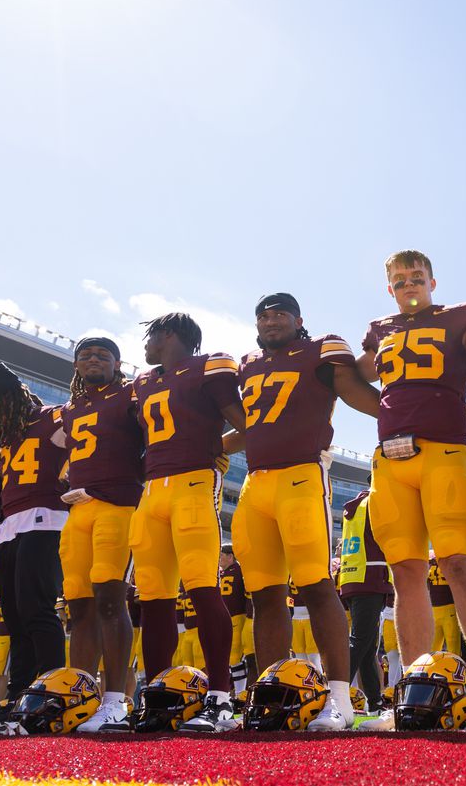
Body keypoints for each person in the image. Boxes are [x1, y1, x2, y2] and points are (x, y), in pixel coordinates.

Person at [356, 250, 466, 730]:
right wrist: (383, 412)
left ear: (432, 281)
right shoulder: (380, 328)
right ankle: (418, 689)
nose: (409, 285)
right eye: (400, 280)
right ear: (390, 288)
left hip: (444, 449)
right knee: (405, 571)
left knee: (457, 562)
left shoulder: (458, 316)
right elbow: (350, 376)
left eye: (416, 277)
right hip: (390, 459)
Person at [224, 292, 380, 730]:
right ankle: (273, 695)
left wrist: (396, 413)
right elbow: (253, 425)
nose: (271, 321)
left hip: (301, 475)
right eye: (264, 316)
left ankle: (338, 699)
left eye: (280, 315)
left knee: (315, 585)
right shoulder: (248, 363)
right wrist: (205, 450)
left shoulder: (319, 349)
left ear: (298, 320)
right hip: (256, 483)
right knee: (265, 595)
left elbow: (352, 391)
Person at [130, 313, 246, 732]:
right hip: (151, 491)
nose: (145, 346)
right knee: (154, 598)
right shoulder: (142, 383)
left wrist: (214, 447)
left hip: (194, 482)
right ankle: (157, 695)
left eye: (150, 336)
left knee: (201, 586)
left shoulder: (209, 365)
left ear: (168, 335)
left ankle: (220, 697)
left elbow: (246, 422)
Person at [0, 363, 68, 733]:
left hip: (47, 515)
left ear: (9, 397)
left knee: (37, 609)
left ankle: (53, 693)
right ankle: (18, 696)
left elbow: (91, 448)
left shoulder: (55, 417)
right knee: (15, 617)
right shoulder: (1, 432)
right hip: (11, 523)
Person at [58, 336, 145, 731]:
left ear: (117, 363)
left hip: (117, 504)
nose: (93, 360)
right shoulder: (72, 407)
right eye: (85, 355)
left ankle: (115, 699)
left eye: (102, 355)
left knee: (111, 599)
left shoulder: (131, 394)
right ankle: (80, 691)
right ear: (76, 365)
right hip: (78, 510)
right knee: (78, 605)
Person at [338, 487, 392, 711]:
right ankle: (336, 693)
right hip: (371, 577)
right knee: (360, 640)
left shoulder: (354, 506)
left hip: (352, 576)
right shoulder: (378, 502)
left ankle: (375, 700)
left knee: (368, 645)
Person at [217, 547, 250, 693]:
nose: (219, 558)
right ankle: (237, 692)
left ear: (231, 557)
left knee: (236, 657)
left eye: (222, 555)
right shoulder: (222, 573)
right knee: (230, 658)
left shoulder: (240, 570)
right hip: (226, 619)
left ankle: (240, 693)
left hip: (238, 617)